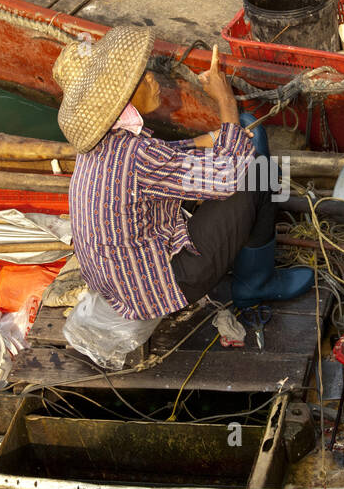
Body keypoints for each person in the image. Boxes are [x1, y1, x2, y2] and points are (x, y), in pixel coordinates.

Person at [52, 26, 313, 321]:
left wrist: (205, 140)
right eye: (139, 78)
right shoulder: (137, 155)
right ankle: (257, 284)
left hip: (122, 286)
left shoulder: (100, 144)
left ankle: (248, 264)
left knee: (241, 133)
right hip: (157, 289)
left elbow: (162, 156)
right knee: (256, 167)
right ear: (118, 100)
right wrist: (224, 99)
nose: (151, 77)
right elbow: (229, 175)